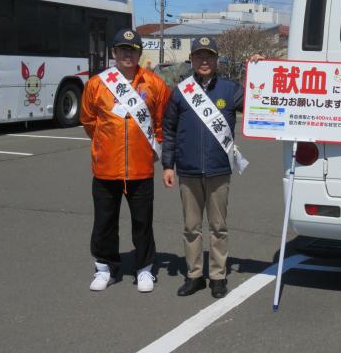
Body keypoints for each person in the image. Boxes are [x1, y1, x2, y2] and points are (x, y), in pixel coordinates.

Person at [81, 28, 171, 293]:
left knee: (142, 221)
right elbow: (88, 121)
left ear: (139, 53)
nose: (127, 54)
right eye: (122, 49)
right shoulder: (98, 84)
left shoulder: (154, 84)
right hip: (106, 167)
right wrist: (105, 142)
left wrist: (153, 149)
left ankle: (144, 269)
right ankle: (104, 267)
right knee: (104, 221)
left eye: (132, 50)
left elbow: (161, 123)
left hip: (141, 168)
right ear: (114, 53)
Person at [162, 37, 250, 298]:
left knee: (218, 227)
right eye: (199, 56)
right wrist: (168, 165)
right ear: (191, 59)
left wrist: (258, 68)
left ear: (216, 59)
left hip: (218, 169)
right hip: (188, 170)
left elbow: (259, 99)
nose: (204, 61)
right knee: (191, 227)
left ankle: (218, 276)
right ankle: (194, 275)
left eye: (209, 56)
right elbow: (169, 130)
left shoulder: (230, 89)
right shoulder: (181, 91)